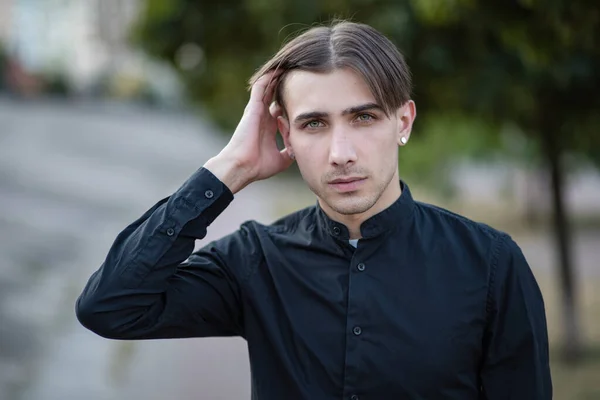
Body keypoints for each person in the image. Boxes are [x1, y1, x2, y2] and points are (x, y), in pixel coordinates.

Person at [76, 20, 552, 400]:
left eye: (363, 117)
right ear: (286, 134)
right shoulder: (254, 260)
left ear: (403, 121)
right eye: (314, 124)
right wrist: (229, 169)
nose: (340, 151)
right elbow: (110, 307)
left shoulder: (490, 263)